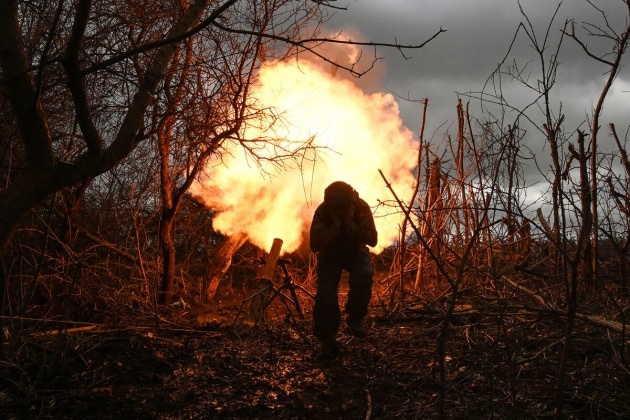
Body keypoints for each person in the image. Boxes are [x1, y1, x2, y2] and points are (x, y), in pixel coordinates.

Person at [309, 181, 378, 359]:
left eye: (343, 205)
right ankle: (327, 340)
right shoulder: (323, 211)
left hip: (355, 250)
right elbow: (315, 244)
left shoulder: (360, 207)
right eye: (335, 205)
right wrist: (335, 227)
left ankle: (355, 317)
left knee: (364, 276)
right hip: (330, 253)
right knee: (325, 295)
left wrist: (349, 225)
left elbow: (372, 239)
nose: (339, 208)